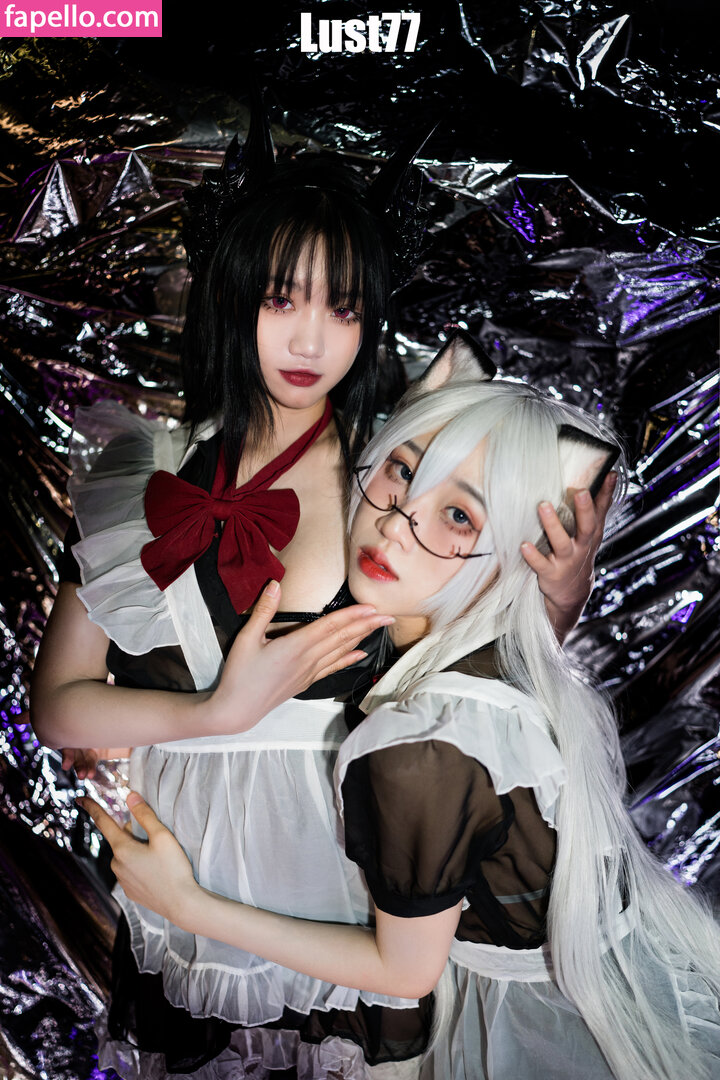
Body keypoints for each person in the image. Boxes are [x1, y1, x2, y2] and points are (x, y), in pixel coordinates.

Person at [31, 126, 614, 1078]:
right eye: (280, 298)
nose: (311, 341)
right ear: (230, 293)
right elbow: (59, 706)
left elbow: (467, 673)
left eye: (343, 310)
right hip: (190, 903)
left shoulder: (394, 484)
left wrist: (557, 599)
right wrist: (217, 711)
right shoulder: (142, 476)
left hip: (346, 919)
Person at [82, 366, 720, 1080]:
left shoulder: (418, 745)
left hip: (537, 1036)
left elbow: (402, 971)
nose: (397, 523)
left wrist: (186, 905)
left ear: (514, 550)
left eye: (459, 516)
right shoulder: (497, 654)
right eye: (403, 472)